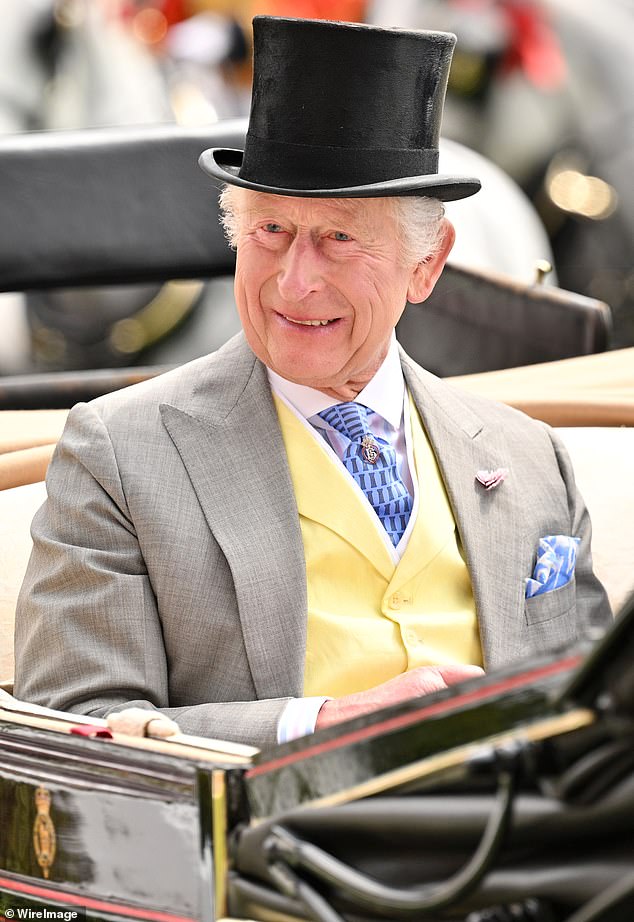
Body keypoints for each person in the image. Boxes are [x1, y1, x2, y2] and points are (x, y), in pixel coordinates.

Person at [14, 16, 611, 750]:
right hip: (279, 855)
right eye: (270, 232)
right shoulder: (117, 455)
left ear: (427, 263)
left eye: (339, 237)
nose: (295, 283)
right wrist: (322, 724)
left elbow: (598, 712)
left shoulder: (534, 458)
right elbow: (76, 730)